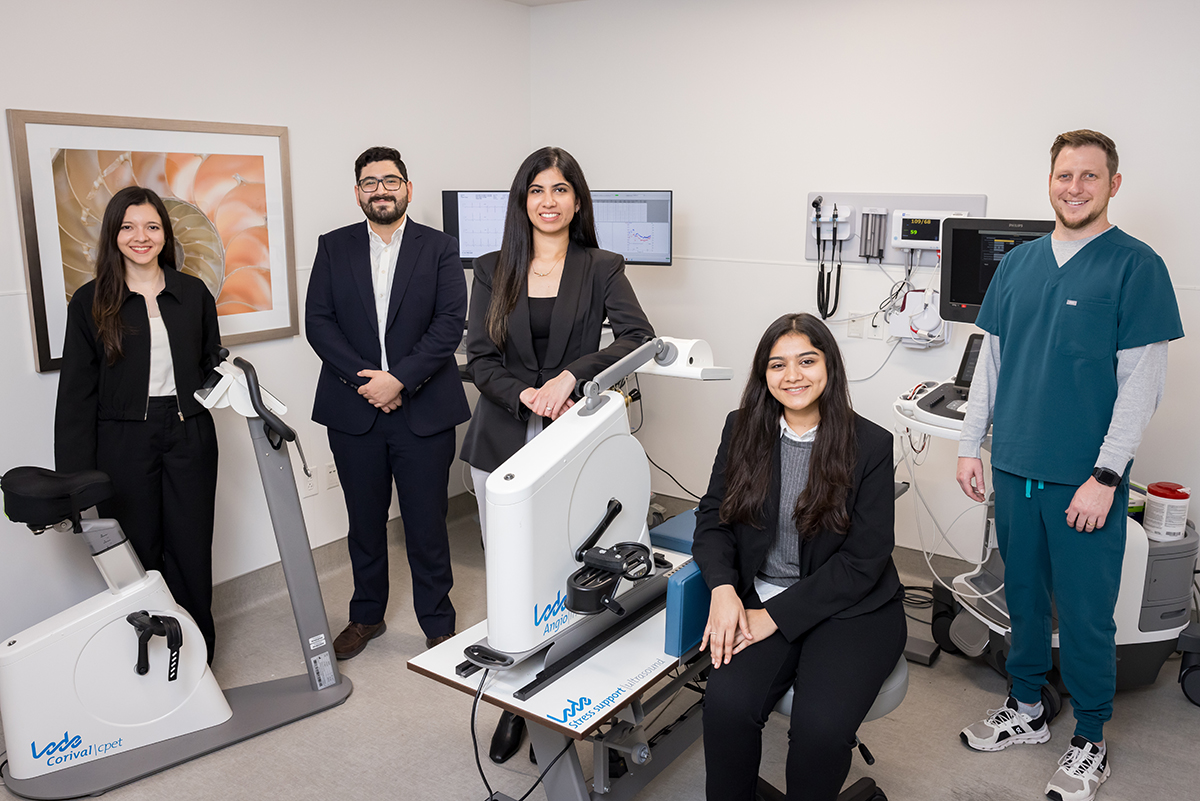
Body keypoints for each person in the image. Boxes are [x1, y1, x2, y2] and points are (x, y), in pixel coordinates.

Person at [956, 130, 1184, 801]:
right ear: (1049, 181)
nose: (1074, 187)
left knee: (1084, 614)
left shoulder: (1135, 266)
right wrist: (972, 444)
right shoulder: (1020, 264)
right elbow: (991, 362)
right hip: (1015, 465)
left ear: (1113, 184)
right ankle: (1026, 707)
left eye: (1089, 176)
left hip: (1084, 481)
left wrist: (1107, 476)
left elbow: (1142, 384)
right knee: (1022, 599)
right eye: (1064, 175)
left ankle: (1090, 736)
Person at [459, 146, 654, 763]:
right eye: (537, 190)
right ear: (522, 201)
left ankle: (607, 706)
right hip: (502, 439)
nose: (549, 201)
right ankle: (517, 702)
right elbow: (480, 359)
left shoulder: (602, 266)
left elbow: (637, 337)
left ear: (577, 201)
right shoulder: (493, 268)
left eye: (561, 189)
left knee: (586, 572)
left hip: (577, 440)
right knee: (513, 579)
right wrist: (524, 395)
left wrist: (571, 378)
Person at [692, 313, 906, 801]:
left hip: (853, 608)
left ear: (829, 365)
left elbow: (864, 561)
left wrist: (775, 617)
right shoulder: (742, 429)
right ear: (763, 375)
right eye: (777, 365)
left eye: (807, 361)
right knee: (726, 707)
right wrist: (724, 589)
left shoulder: (869, 444)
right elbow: (713, 519)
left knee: (821, 729)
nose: (793, 376)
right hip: (760, 592)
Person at [306, 146, 469, 659]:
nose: (382, 189)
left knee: (426, 523)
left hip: (424, 411)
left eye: (391, 180)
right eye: (370, 182)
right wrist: (368, 384)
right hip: (354, 412)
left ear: (408, 188)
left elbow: (449, 324)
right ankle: (366, 616)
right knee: (365, 522)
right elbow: (319, 322)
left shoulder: (440, 248)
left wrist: (398, 380)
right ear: (358, 192)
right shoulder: (333, 247)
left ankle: (438, 623)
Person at [55, 185, 222, 663]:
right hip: (123, 439)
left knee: (191, 545)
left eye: (151, 226)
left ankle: (197, 656)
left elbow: (211, 361)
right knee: (139, 548)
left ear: (165, 235)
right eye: (128, 227)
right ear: (114, 234)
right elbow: (75, 396)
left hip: (189, 430)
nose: (141, 236)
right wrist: (75, 483)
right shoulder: (90, 302)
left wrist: (225, 384)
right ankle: (146, 654)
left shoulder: (193, 293)